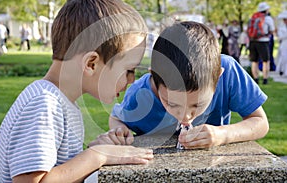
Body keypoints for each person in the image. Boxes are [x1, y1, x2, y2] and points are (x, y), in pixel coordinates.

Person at [0, 0, 153, 183]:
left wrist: (99, 149)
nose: (132, 80)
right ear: (91, 63)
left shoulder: (62, 103)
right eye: (129, 70)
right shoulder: (43, 104)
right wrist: (97, 155)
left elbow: (60, 173)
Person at [108, 21, 269, 150]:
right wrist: (121, 132)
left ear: (218, 77)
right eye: (171, 103)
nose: (185, 116)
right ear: (154, 79)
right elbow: (116, 119)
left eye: (197, 104)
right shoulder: (140, 94)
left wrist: (223, 134)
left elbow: (260, 122)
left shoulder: (228, 71)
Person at [248, 2, 275, 84]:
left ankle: (255, 79)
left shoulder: (252, 17)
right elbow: (272, 30)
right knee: (265, 61)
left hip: (253, 41)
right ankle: (265, 79)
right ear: (266, 10)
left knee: (254, 61)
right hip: (263, 42)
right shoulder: (268, 19)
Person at [276, 11, 287, 77]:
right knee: (283, 58)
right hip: (284, 44)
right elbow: (280, 37)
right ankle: (281, 70)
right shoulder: (281, 28)